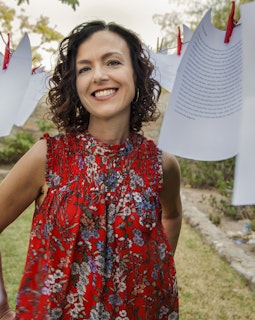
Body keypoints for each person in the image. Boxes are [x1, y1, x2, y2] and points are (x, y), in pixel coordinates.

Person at [0, 20, 182, 319]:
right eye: (84, 68)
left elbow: (172, 215)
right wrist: (2, 309)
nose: (98, 75)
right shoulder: (47, 158)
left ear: (137, 73)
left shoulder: (161, 165)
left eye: (112, 61)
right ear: (74, 84)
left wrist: (154, 275)